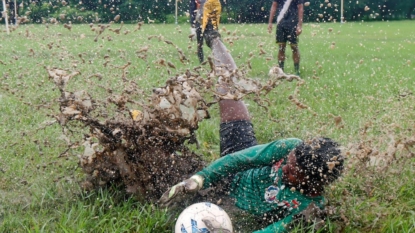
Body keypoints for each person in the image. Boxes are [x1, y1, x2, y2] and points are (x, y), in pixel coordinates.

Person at [158, 20, 344, 233]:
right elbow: (241, 159)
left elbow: (274, 230)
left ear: (312, 185)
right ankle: (213, 38)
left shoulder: (308, 207)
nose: (285, 168)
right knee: (230, 89)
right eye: (288, 163)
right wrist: (200, 178)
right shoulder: (289, 147)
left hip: (231, 205)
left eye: (292, 172)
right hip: (237, 170)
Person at [268, 0, 304, 76]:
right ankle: (281, 71)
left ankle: (297, 71)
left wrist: (300, 25)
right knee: (281, 47)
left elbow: (300, 7)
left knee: (294, 47)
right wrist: (270, 22)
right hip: (281, 23)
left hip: (293, 22)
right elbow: (274, 5)